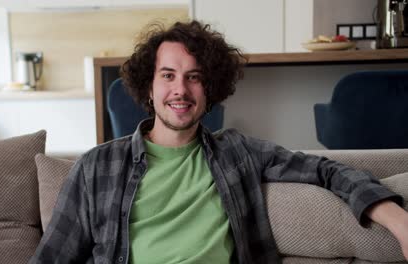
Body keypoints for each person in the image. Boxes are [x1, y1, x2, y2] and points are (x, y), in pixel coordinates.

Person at [31, 20, 408, 264]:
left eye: (194, 77)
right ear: (150, 85)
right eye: (168, 75)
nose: (180, 89)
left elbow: (326, 169)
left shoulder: (238, 153)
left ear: (210, 89)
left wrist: (400, 222)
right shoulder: (96, 167)